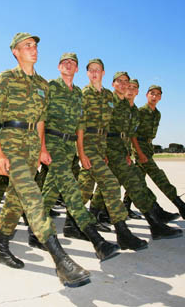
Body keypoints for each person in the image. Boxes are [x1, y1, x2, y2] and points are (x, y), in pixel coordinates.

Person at [0, 32, 90, 287]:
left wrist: (42, 148)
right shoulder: (5, 78)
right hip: (11, 141)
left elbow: (42, 119)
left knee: (15, 200)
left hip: (33, 145)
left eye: (34, 45)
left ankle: (1, 248)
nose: (33, 49)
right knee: (32, 197)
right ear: (16, 52)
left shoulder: (43, 84)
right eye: (27, 46)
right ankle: (61, 261)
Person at [36, 52, 119, 261]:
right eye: (64, 62)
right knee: (71, 188)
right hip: (53, 142)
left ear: (76, 69)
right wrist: (42, 148)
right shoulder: (51, 87)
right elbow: (41, 117)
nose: (68, 65)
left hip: (69, 146)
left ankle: (34, 231)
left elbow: (81, 125)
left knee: (51, 189)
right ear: (58, 67)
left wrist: (81, 152)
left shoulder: (78, 94)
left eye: (72, 63)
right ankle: (96, 240)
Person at [90, 72, 183, 240]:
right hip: (109, 147)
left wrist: (127, 152)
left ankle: (95, 215)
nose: (126, 86)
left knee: (117, 184)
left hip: (120, 150)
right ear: (113, 83)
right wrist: (101, 151)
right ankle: (153, 224)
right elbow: (100, 126)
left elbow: (126, 133)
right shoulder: (109, 100)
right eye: (122, 82)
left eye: (129, 84)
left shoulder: (128, 107)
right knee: (134, 183)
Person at [76, 59, 148, 250]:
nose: (94, 73)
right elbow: (80, 125)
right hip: (88, 144)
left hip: (101, 146)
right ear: (87, 73)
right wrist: (81, 152)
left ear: (103, 73)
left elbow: (108, 127)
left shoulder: (108, 96)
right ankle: (122, 233)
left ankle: (70, 223)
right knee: (111, 182)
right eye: (90, 70)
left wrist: (106, 150)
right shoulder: (83, 94)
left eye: (97, 70)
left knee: (85, 188)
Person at [129, 84, 185, 220]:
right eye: (152, 93)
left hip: (148, 147)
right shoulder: (141, 112)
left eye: (158, 94)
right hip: (140, 147)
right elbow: (132, 134)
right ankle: (181, 206)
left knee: (138, 179)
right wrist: (139, 153)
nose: (154, 96)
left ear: (161, 97)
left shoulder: (157, 114)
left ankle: (126, 206)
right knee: (159, 176)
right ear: (146, 95)